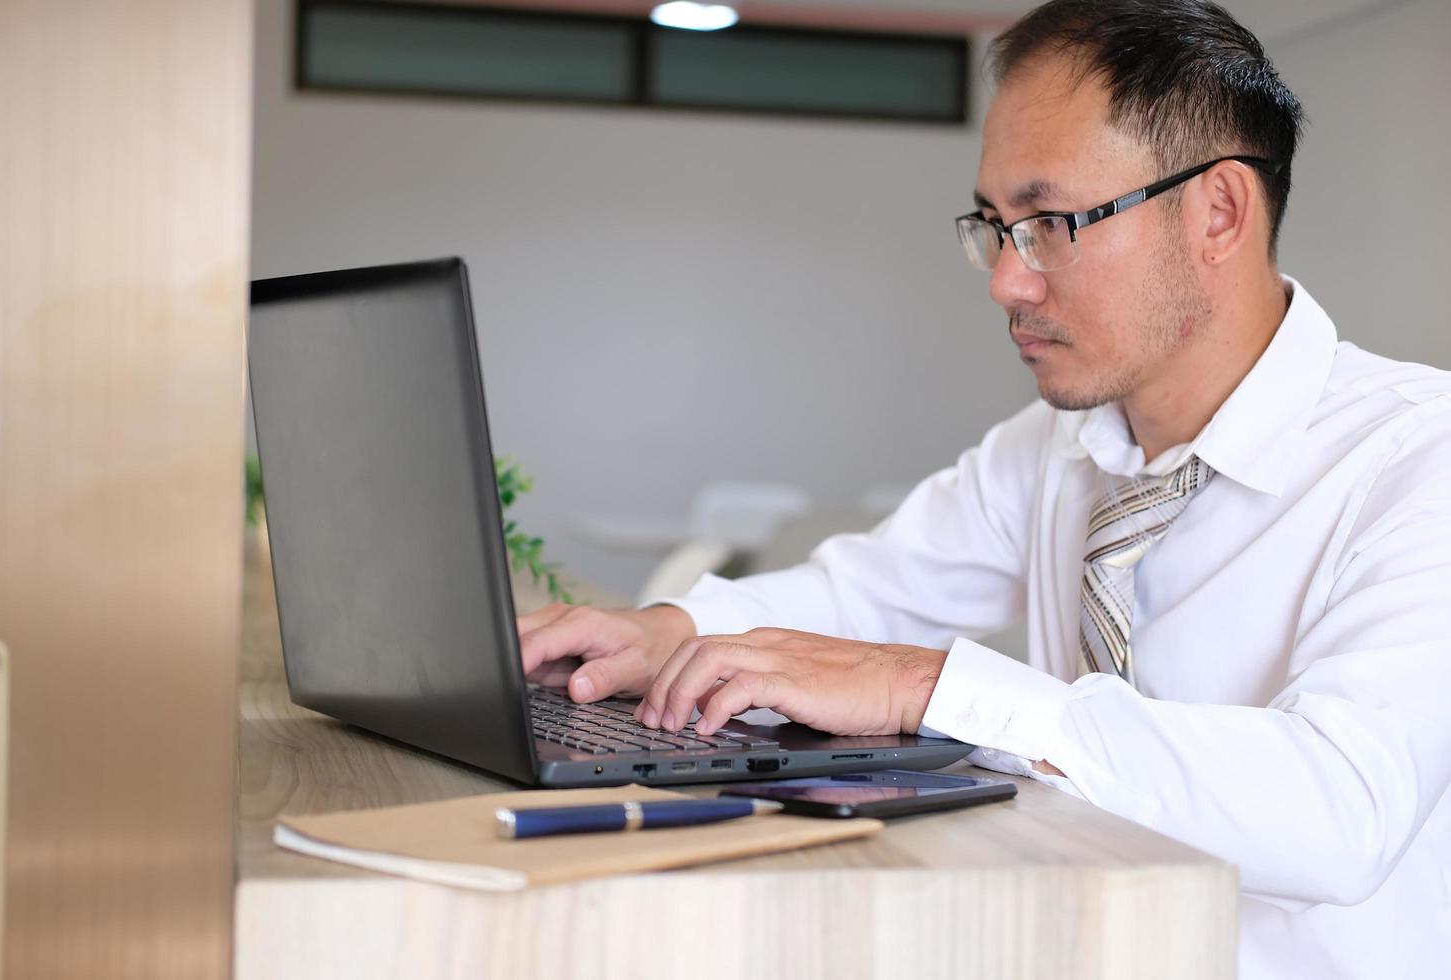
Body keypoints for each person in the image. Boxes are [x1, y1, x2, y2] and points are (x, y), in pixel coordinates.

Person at [517, 1, 1451, 975]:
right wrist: (670, 628)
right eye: (996, 226)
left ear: (1217, 211)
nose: (1009, 280)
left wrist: (928, 685)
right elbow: (869, 588)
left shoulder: (1421, 457)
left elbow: (1341, 807)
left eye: (1051, 223)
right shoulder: (1054, 445)